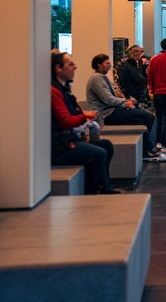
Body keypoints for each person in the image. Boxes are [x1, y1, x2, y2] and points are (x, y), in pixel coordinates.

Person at [50, 51, 118, 194]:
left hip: (69, 139)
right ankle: (91, 191)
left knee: (106, 146)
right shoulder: (54, 91)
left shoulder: (63, 90)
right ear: (57, 68)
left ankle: (105, 187)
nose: (74, 67)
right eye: (70, 64)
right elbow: (66, 121)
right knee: (99, 153)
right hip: (60, 146)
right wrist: (85, 117)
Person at [85, 53, 166, 163]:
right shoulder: (96, 78)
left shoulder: (102, 77)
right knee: (146, 115)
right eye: (107, 63)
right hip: (107, 114)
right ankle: (148, 149)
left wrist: (122, 97)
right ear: (99, 65)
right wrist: (125, 102)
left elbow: (112, 95)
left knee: (140, 120)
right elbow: (108, 99)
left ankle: (147, 148)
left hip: (113, 110)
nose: (109, 65)